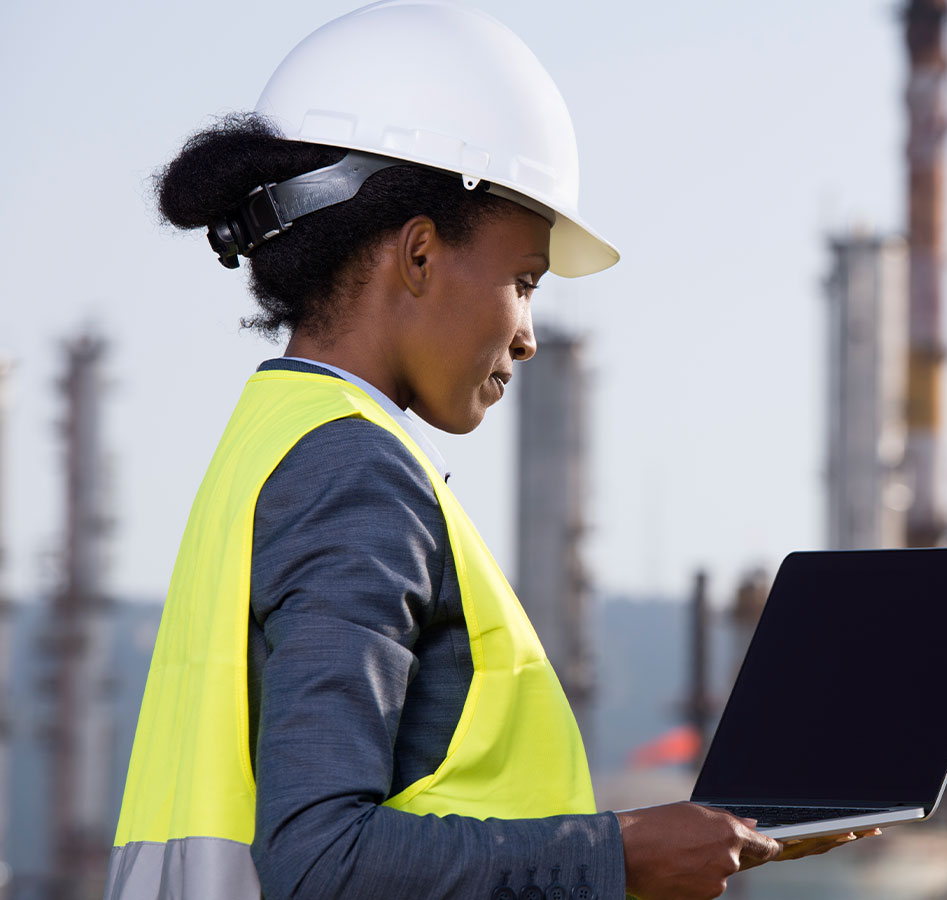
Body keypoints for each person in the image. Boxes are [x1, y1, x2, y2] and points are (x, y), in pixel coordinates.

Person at [105, 2, 872, 898]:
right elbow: (319, 862)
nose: (528, 335)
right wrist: (620, 856)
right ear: (421, 255)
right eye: (525, 281)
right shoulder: (353, 475)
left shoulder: (273, 440)